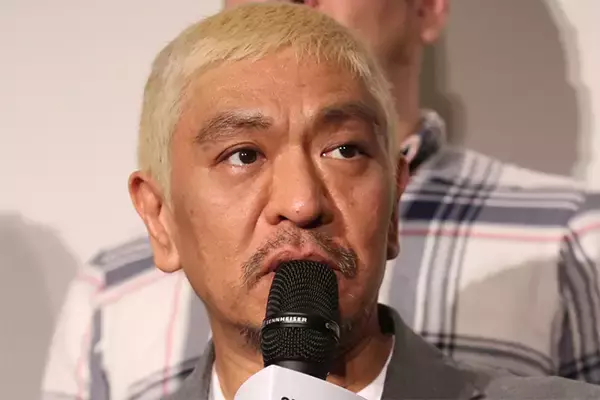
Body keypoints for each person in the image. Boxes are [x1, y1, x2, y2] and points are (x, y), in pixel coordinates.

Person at [42, 1, 600, 399]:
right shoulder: (107, 294)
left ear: (394, 203)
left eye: (344, 150)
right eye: (243, 155)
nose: (302, 202)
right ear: (160, 218)